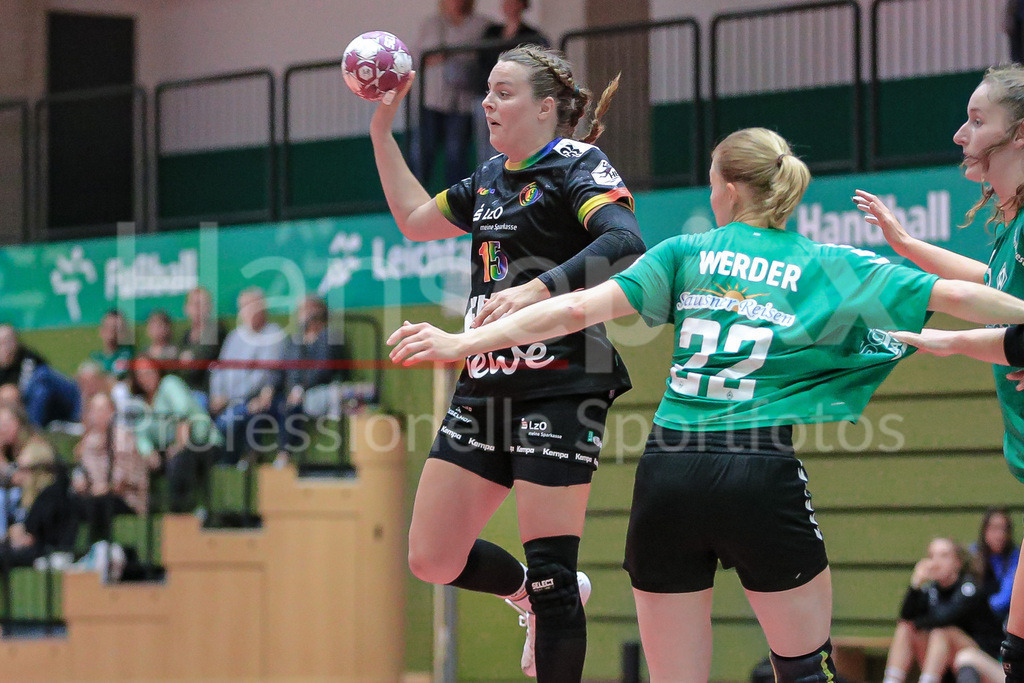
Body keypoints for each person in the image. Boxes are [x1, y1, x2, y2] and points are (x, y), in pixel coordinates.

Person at [387, 127, 1024, 682]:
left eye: (713, 181)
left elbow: (573, 309)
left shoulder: (685, 253)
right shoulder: (826, 262)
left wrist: (462, 342)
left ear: (729, 189)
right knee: (804, 667)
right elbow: (962, 296)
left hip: (668, 474)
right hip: (758, 469)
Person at [370, 44, 646, 681]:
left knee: (553, 573)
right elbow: (414, 220)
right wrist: (382, 130)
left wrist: (537, 288)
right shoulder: (491, 177)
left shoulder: (577, 164)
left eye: (503, 92)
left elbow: (625, 241)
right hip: (487, 385)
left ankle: (546, 594)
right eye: (487, 92)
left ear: (546, 107)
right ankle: (525, 595)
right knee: (432, 558)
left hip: (561, 384)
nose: (486, 103)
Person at [855, 64, 1024, 679]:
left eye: (978, 121)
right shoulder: (1012, 227)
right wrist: (905, 245)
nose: (960, 134)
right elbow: (988, 284)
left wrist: (950, 343)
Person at [882, 537, 1004, 683]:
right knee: (905, 628)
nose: (936, 562)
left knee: (942, 633)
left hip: (983, 664)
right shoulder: (930, 589)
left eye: (944, 556)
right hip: (947, 666)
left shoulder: (969, 588)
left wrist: (919, 622)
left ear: (958, 562)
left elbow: (944, 618)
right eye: (931, 556)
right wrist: (915, 584)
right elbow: (906, 617)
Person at [129, 355, 222, 513]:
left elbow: (183, 414)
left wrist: (178, 446)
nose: (146, 377)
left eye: (149, 371)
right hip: (169, 450)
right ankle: (148, 514)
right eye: (140, 374)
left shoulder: (169, 384)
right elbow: (141, 434)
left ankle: (181, 514)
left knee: (179, 461)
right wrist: (148, 452)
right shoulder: (140, 403)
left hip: (202, 444)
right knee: (140, 464)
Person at [414, 0, 490, 188]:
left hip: (462, 102)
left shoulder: (481, 25)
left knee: (456, 154)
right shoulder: (431, 24)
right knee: (423, 152)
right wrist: (436, 57)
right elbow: (416, 57)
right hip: (432, 100)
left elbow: (485, 57)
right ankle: (414, 199)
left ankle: (456, 199)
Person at [208, 288, 285, 465]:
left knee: (223, 425)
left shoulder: (274, 334)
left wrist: (228, 398)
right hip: (225, 401)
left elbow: (263, 376)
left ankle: (229, 466)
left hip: (251, 400)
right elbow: (218, 370)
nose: (247, 311)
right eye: (243, 307)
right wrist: (216, 395)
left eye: (252, 306)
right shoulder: (234, 336)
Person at [0, 402, 79, 568]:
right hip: (18, 521)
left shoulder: (36, 447)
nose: (3, 428)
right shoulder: (11, 452)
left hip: (40, 528)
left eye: (7, 422)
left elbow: (17, 477)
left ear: (20, 423)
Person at [276, 294, 350, 467]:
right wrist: (289, 389)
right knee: (275, 405)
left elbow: (323, 370)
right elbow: (286, 369)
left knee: (292, 408)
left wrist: (300, 389)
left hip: (322, 390)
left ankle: (283, 456)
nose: (304, 314)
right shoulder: (295, 340)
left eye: (309, 309)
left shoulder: (330, 336)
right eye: (302, 310)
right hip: (295, 393)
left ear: (320, 312)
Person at [475, 0, 549, 163]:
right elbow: (482, 61)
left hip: (513, 97)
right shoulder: (491, 32)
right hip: (486, 93)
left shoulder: (532, 35)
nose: (509, 5)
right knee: (485, 144)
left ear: (523, 5)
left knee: (510, 140)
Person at [71, 393, 149, 544]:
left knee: (101, 502)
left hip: (127, 498)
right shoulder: (88, 441)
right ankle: (67, 550)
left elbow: (124, 479)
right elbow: (82, 472)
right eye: (94, 410)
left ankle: (99, 548)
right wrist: (82, 484)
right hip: (95, 495)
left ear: (112, 412)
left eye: (103, 410)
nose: (98, 415)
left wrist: (105, 487)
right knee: (71, 501)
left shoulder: (123, 438)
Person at [0, 323, 81, 428]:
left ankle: (34, 428)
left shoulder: (28, 359)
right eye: (1, 343)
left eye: (7, 342)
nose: (4, 347)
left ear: (16, 342)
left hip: (58, 400)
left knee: (40, 384)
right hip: (36, 404)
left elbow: (27, 389)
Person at [177, 286, 226, 408]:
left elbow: (197, 363)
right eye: (194, 304)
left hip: (206, 394)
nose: (198, 309)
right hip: (184, 391)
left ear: (209, 307)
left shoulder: (215, 330)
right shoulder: (186, 335)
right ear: (186, 308)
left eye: (202, 304)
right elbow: (179, 364)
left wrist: (187, 359)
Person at [971, 507, 1019, 624]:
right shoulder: (973, 554)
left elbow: (1006, 596)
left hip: (1003, 618)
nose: (1000, 535)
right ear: (985, 530)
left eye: (1005, 529)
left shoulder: (1015, 557)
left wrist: (981, 609)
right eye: (995, 528)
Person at [89, 309, 134, 381]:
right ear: (101, 330)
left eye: (116, 328)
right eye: (108, 327)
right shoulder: (95, 357)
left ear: (124, 332)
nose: (111, 331)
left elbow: (116, 379)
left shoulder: (128, 355)